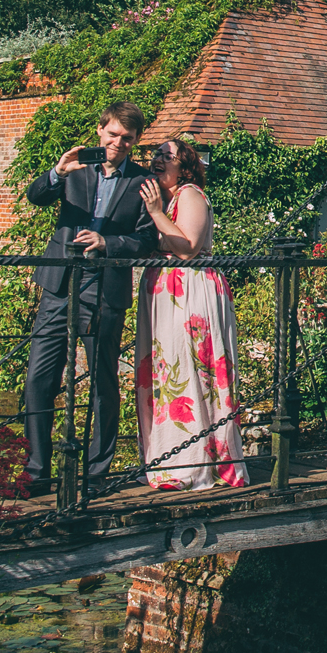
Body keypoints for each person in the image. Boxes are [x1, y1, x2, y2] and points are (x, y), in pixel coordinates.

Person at [21, 102, 158, 492]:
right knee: (39, 376)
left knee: (103, 382)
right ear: (100, 130)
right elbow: (35, 197)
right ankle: (37, 471)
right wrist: (55, 173)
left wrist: (107, 241)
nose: (118, 144)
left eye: (127, 139)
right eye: (112, 134)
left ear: (135, 141)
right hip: (59, 283)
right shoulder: (74, 169)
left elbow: (147, 241)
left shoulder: (142, 182)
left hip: (105, 289)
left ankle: (96, 474)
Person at [133, 138, 247, 489]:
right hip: (164, 294)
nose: (157, 160)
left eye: (167, 157)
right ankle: (166, 462)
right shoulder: (165, 201)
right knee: (164, 374)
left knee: (189, 369)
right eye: (156, 154)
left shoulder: (190, 194)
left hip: (190, 291)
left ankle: (195, 466)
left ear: (184, 168)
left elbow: (188, 248)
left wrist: (155, 213)